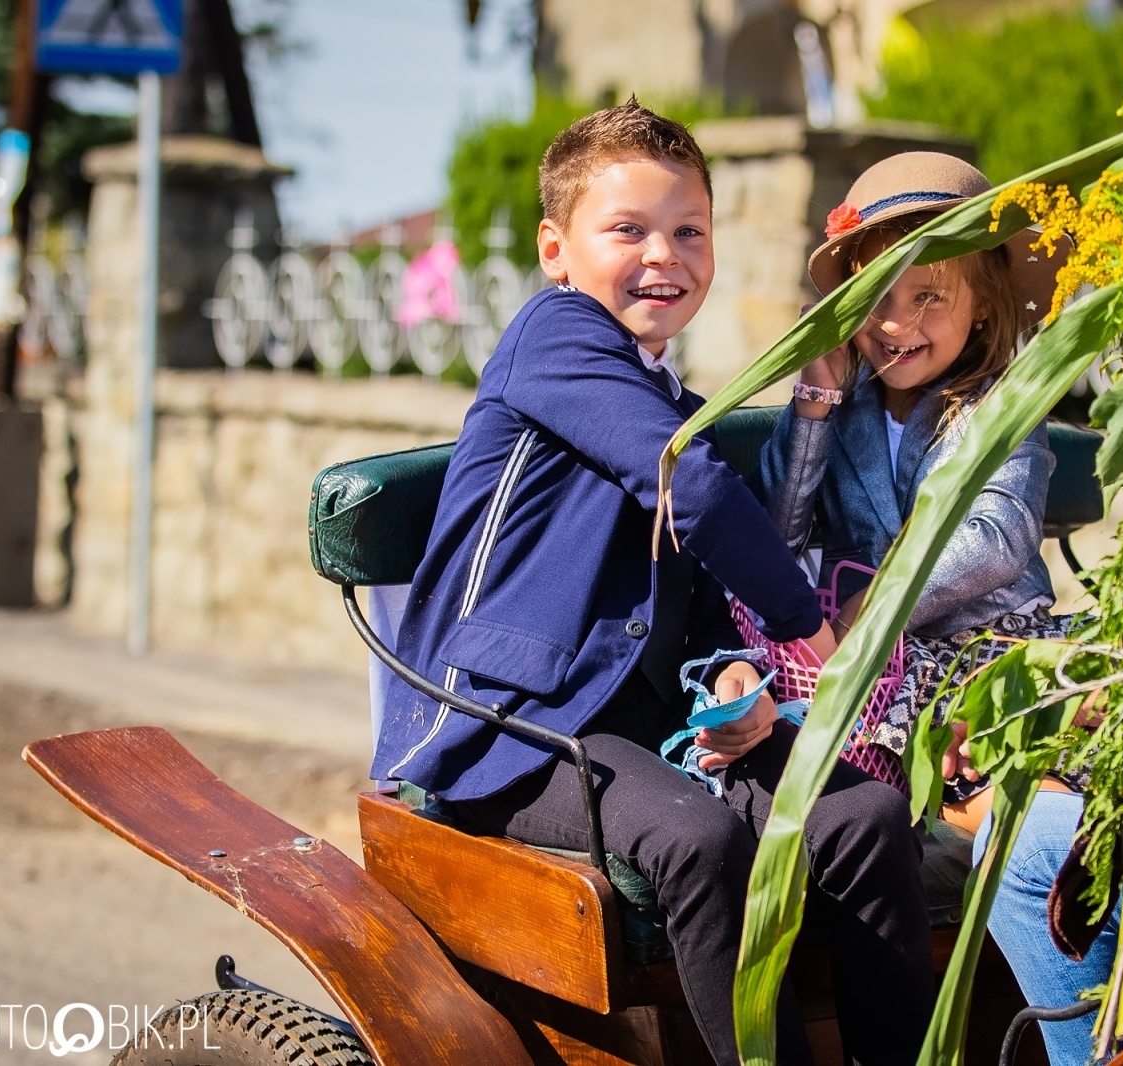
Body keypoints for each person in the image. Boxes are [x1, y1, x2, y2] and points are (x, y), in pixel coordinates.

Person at [370, 101, 935, 1066]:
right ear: (555, 249)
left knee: (866, 819)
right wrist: (812, 640)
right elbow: (695, 493)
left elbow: (695, 588)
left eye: (689, 231)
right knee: (699, 841)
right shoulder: (554, 339)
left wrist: (731, 676)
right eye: (627, 230)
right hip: (510, 719)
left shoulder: (671, 400)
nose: (663, 256)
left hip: (644, 719)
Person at [758, 152, 1117, 1066]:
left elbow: (995, 535)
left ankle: (1024, 833)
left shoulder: (1002, 406)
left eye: (929, 297)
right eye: (876, 297)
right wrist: (814, 398)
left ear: (984, 305)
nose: (897, 323)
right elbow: (781, 530)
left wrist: (878, 598)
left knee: (1021, 745)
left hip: (992, 657)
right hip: (887, 685)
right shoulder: (838, 410)